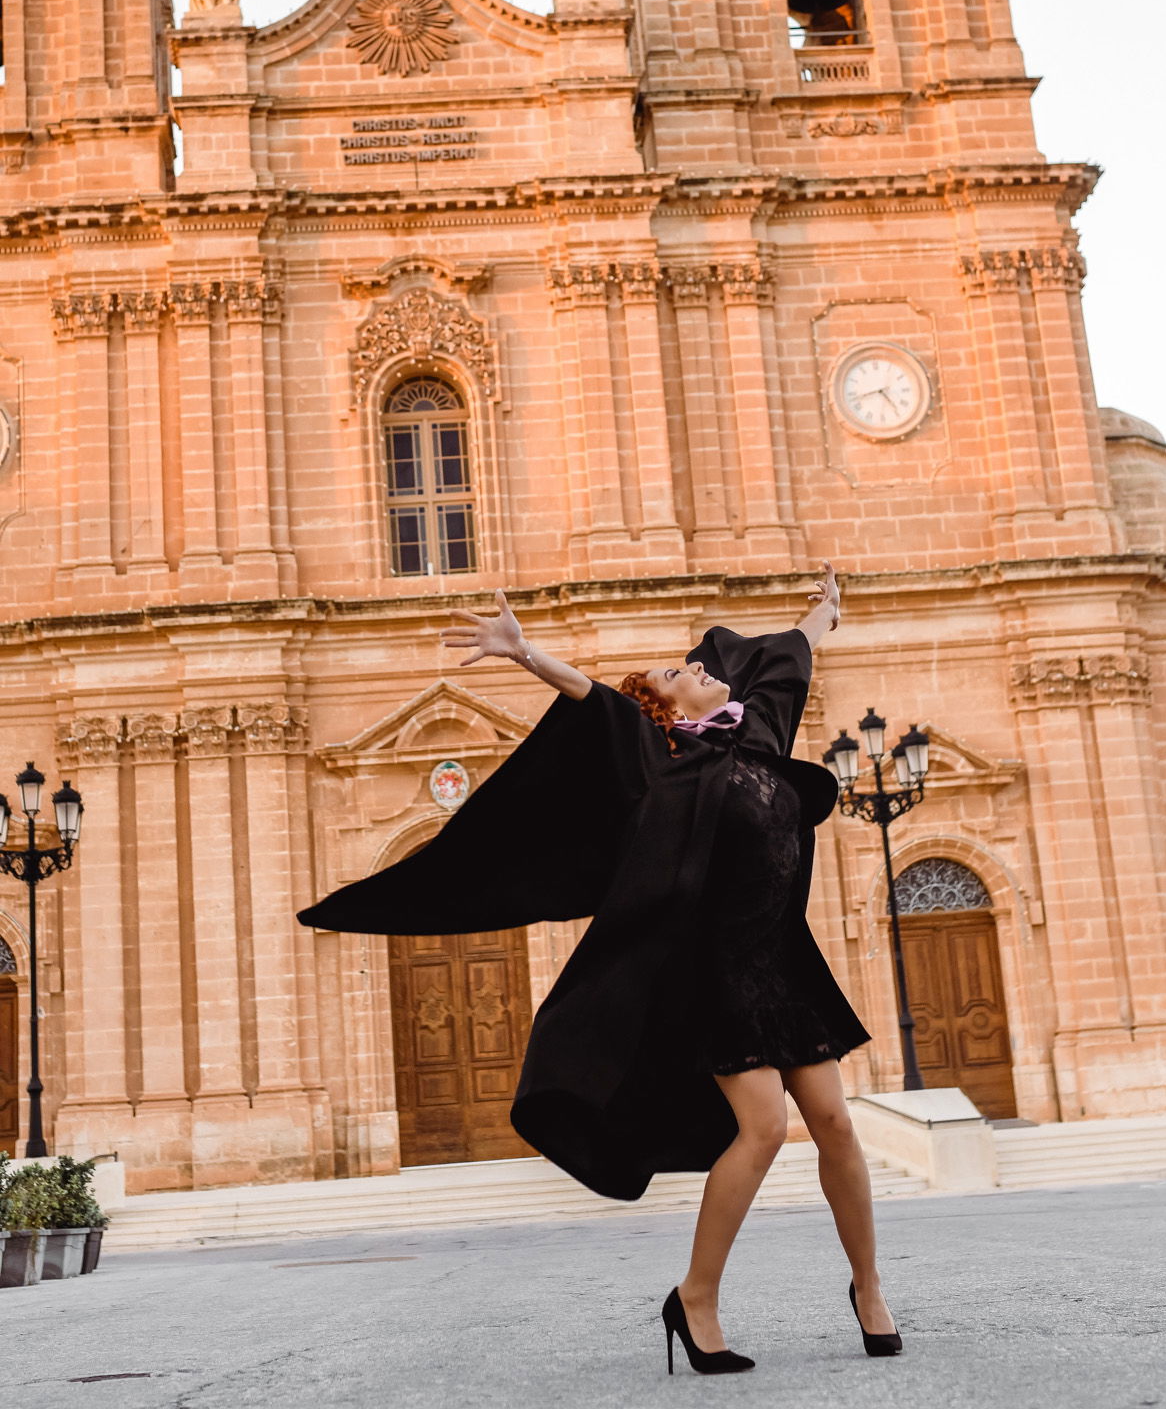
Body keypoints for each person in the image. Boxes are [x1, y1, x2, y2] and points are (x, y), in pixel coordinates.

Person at [297, 561, 900, 1374]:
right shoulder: (661, 760)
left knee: (835, 1123)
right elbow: (594, 697)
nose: (688, 664)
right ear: (664, 709)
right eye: (670, 672)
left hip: (784, 963)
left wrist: (823, 612)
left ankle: (867, 1288)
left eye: (687, 664)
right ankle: (696, 1299)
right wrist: (522, 653)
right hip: (715, 973)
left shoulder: (757, 729)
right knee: (764, 1130)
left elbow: (792, 655)